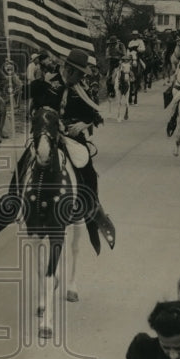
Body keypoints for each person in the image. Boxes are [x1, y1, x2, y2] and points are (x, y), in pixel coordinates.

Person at [58, 47, 115, 248]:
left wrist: (82, 125)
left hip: (73, 138)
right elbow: (38, 108)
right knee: (27, 160)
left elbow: (93, 116)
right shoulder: (51, 85)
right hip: (52, 134)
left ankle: (94, 212)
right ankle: (13, 200)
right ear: (67, 69)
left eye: (81, 74)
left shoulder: (82, 91)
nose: (78, 77)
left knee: (88, 171)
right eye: (76, 73)